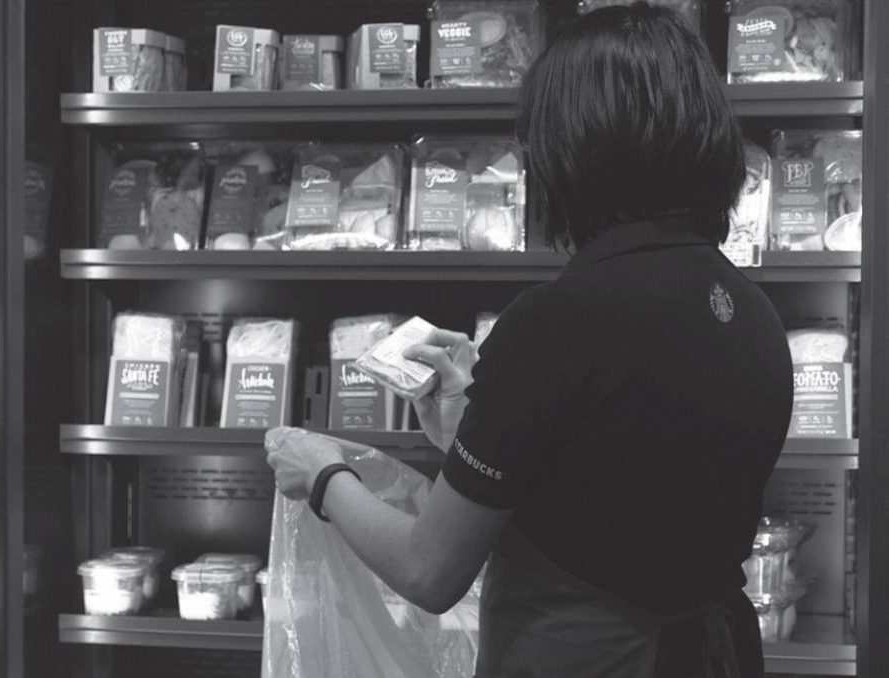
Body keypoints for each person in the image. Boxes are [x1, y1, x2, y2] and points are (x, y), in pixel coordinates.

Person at [265, 3, 794, 676]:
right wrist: (474, 429)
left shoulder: (560, 317)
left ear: (573, 149)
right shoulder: (752, 314)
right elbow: (614, 491)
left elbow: (430, 571)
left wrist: (321, 474)